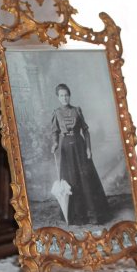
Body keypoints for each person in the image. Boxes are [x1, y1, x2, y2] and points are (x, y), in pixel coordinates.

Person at [50, 83, 111, 226]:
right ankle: (76, 214)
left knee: (86, 178)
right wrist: (55, 144)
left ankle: (93, 214)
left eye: (66, 95)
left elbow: (86, 131)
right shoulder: (56, 113)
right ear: (58, 97)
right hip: (66, 149)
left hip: (79, 145)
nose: (64, 98)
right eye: (61, 95)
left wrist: (88, 148)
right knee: (71, 179)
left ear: (69, 95)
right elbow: (55, 132)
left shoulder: (77, 110)